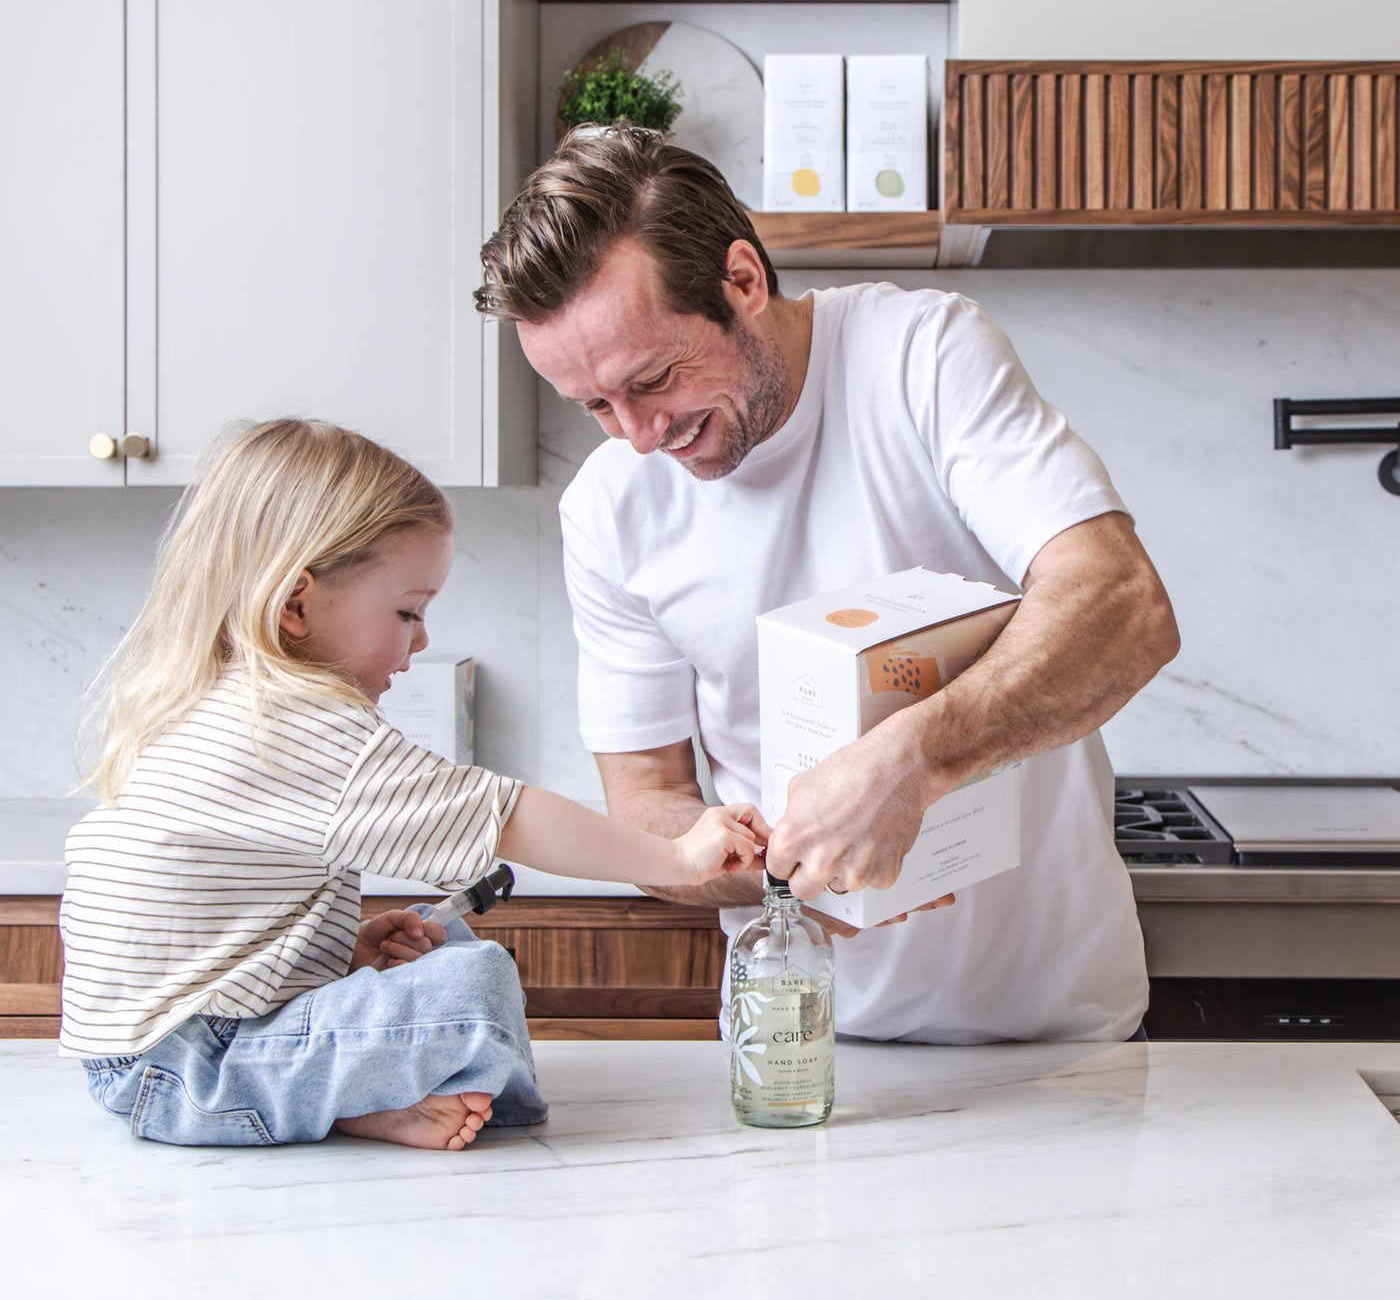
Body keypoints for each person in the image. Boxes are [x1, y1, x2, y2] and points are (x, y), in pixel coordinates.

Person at [475, 124, 1181, 1045]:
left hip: (1059, 1019)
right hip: (802, 1042)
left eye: (652, 378)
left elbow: (1124, 608)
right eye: (595, 405)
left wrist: (911, 763)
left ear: (742, 279)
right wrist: (780, 865)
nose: (639, 437)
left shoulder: (920, 355)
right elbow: (646, 801)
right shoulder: (609, 510)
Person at [60, 417, 765, 1150]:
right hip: (190, 1066)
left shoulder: (219, 702)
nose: (421, 640)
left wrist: (341, 951)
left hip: (158, 1050)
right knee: (471, 986)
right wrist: (680, 856)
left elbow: (214, 930)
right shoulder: (291, 723)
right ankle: (358, 1102)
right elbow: (506, 819)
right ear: (298, 604)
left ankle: (358, 1101)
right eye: (407, 612)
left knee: (444, 942)